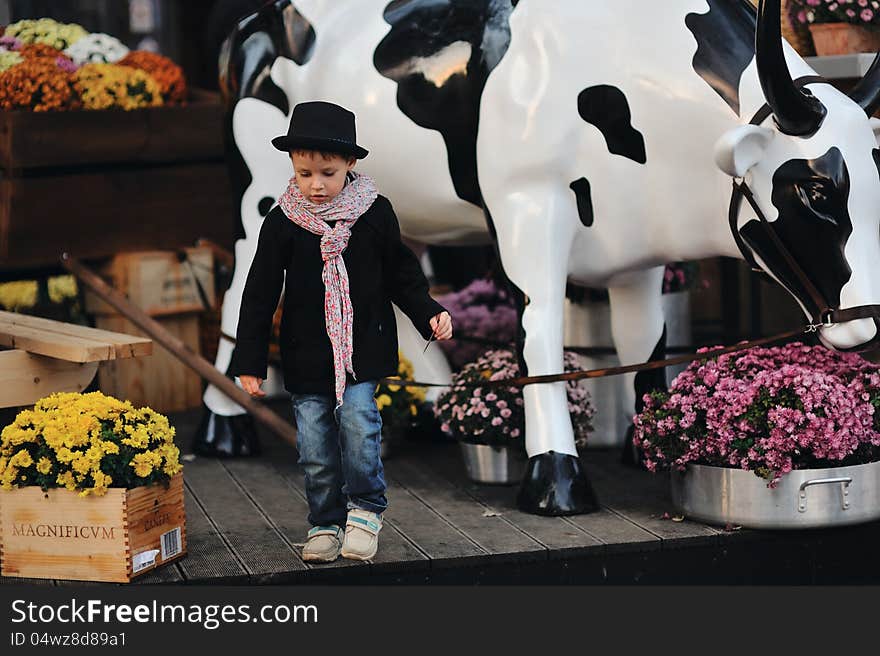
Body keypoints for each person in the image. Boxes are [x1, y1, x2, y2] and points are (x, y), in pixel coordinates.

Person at [229, 101, 452, 562]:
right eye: (305, 172)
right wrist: (249, 361)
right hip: (306, 352)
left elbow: (402, 274)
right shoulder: (283, 221)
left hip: (360, 348)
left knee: (358, 423)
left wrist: (427, 310)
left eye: (327, 173)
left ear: (350, 164)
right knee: (313, 447)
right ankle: (325, 522)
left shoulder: (374, 213)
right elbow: (259, 292)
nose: (315, 185)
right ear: (292, 164)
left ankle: (366, 510)